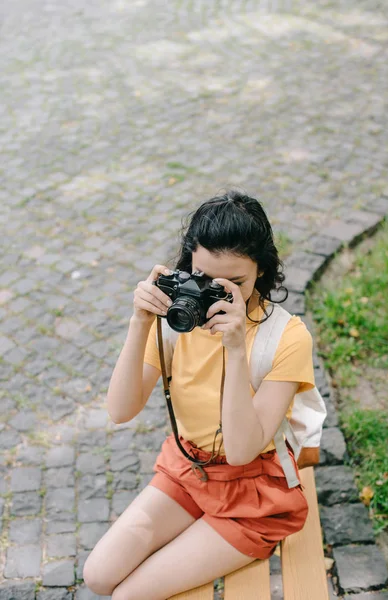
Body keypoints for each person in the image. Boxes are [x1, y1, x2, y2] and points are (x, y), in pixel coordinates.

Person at [83, 191, 313, 600]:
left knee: (127, 595)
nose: (215, 292)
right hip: (191, 470)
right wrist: (140, 323)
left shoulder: (287, 337)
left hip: (253, 494)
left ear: (261, 270)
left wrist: (237, 347)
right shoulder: (179, 319)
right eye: (202, 276)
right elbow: (120, 410)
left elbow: (243, 450)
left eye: (234, 282)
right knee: (98, 576)